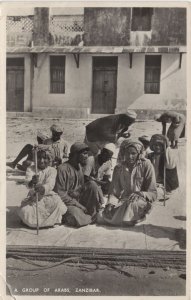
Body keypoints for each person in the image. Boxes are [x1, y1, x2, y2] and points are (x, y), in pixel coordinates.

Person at [98, 139, 157, 227]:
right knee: (102, 215)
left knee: (131, 206)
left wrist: (140, 193)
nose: (130, 156)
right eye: (127, 153)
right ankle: (124, 217)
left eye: (133, 153)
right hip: (124, 201)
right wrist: (110, 204)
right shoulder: (119, 168)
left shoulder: (146, 165)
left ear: (139, 154)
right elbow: (114, 192)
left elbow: (153, 194)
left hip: (141, 201)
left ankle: (132, 217)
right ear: (123, 153)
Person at [54, 142, 105, 228]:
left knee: (92, 184)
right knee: (76, 216)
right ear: (75, 155)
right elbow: (61, 195)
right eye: (84, 154)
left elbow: (81, 187)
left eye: (87, 154)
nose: (86, 156)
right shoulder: (62, 169)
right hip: (67, 203)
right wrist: (79, 205)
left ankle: (91, 213)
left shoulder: (79, 167)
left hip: (78, 199)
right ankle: (88, 216)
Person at [17, 146, 67, 228]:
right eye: (39, 158)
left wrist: (42, 188)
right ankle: (45, 222)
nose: (41, 161)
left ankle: (49, 221)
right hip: (34, 197)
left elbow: (50, 184)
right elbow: (27, 184)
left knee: (60, 207)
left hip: (48, 196)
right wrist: (32, 182)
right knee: (25, 212)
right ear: (35, 159)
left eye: (45, 158)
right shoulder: (31, 169)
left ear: (49, 159)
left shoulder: (52, 170)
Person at [147, 134, 179, 199]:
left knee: (156, 192)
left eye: (160, 145)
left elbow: (171, 164)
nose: (157, 147)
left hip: (163, 183)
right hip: (152, 181)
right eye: (155, 145)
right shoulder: (150, 156)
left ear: (163, 147)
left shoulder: (166, 156)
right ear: (152, 146)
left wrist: (167, 148)